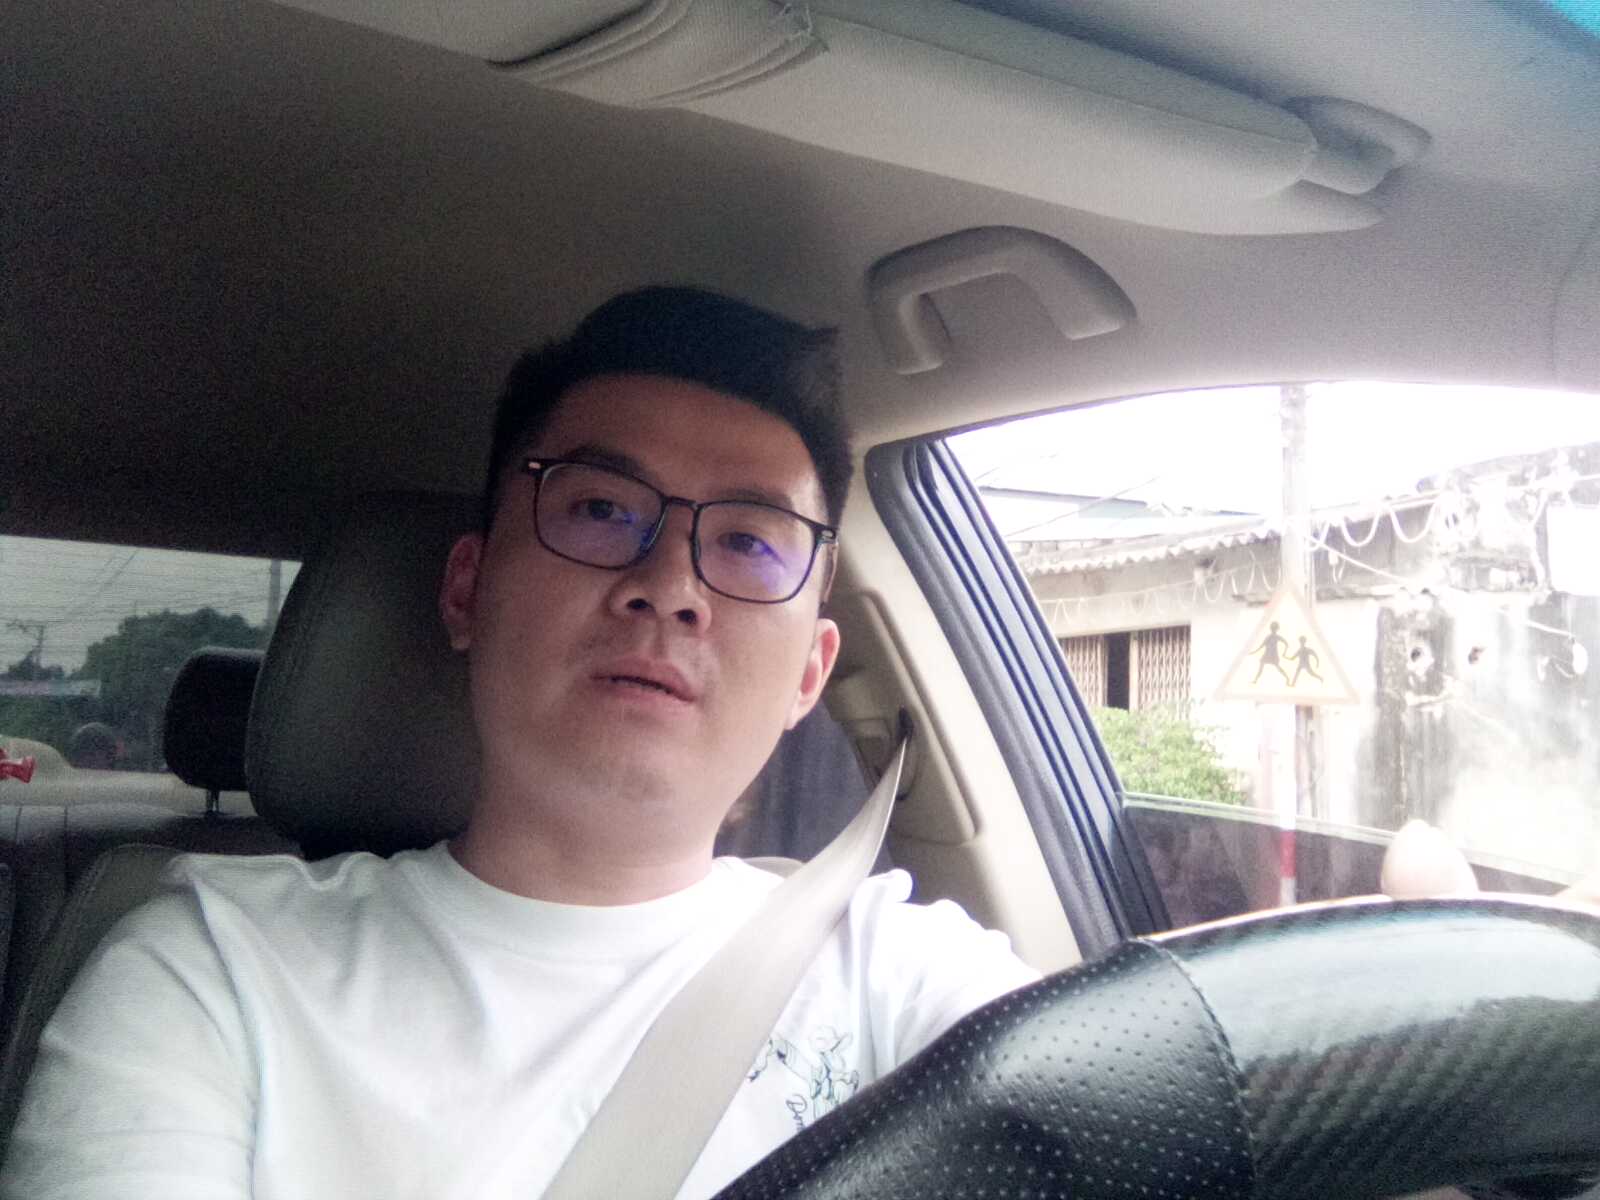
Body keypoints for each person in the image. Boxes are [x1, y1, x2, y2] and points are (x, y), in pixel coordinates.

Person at [0, 288, 1042, 1199]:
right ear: (467, 590)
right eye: (601, 510)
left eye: (748, 543)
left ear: (810, 673)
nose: (670, 587)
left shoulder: (898, 975)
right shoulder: (214, 970)